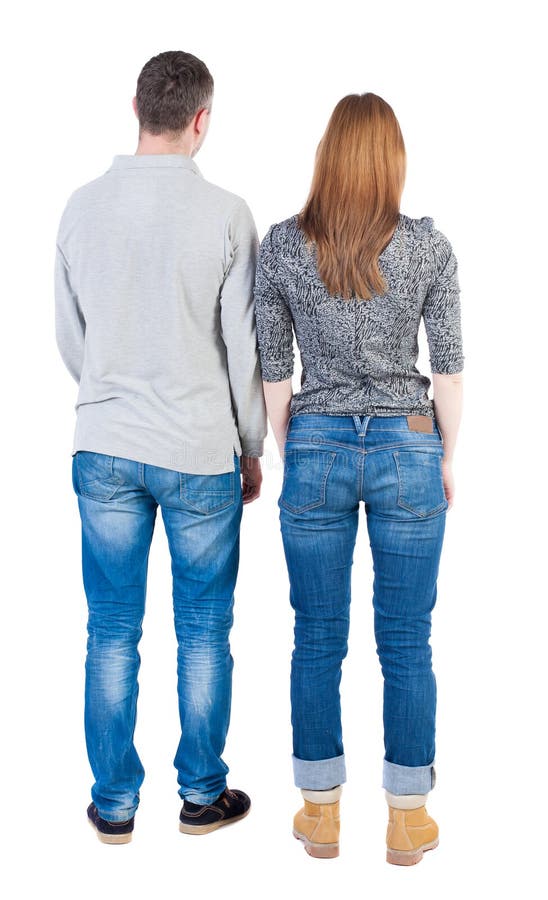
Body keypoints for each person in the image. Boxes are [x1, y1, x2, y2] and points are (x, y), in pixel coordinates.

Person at [54, 50, 266, 844]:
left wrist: (109, 395)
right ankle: (202, 796)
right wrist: (251, 445)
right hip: (199, 447)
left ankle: (113, 806)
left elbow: (71, 338)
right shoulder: (227, 215)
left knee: (110, 629)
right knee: (204, 630)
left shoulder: (80, 207)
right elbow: (245, 351)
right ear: (201, 120)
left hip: (104, 445)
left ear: (135, 105)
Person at [253, 92, 464, 864]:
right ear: (392, 161)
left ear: (327, 157)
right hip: (410, 444)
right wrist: (446, 457)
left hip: (317, 442)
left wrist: (294, 444)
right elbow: (448, 370)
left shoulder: (280, 246)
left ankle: (321, 813)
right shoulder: (429, 248)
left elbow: (275, 371)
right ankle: (407, 820)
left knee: (316, 638)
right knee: (408, 640)